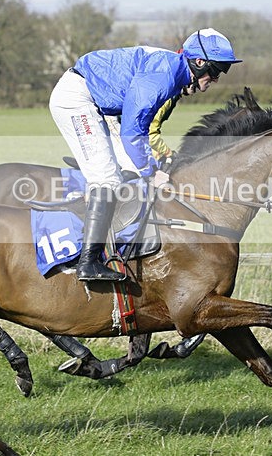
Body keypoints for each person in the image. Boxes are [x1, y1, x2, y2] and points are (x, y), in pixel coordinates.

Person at [49, 28, 242, 281]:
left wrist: (148, 166)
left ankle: (121, 237)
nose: (215, 79)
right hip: (78, 100)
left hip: (101, 104)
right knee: (107, 179)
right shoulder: (163, 77)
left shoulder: (174, 73)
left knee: (129, 168)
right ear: (199, 63)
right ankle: (89, 261)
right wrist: (150, 172)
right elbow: (133, 130)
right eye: (216, 71)